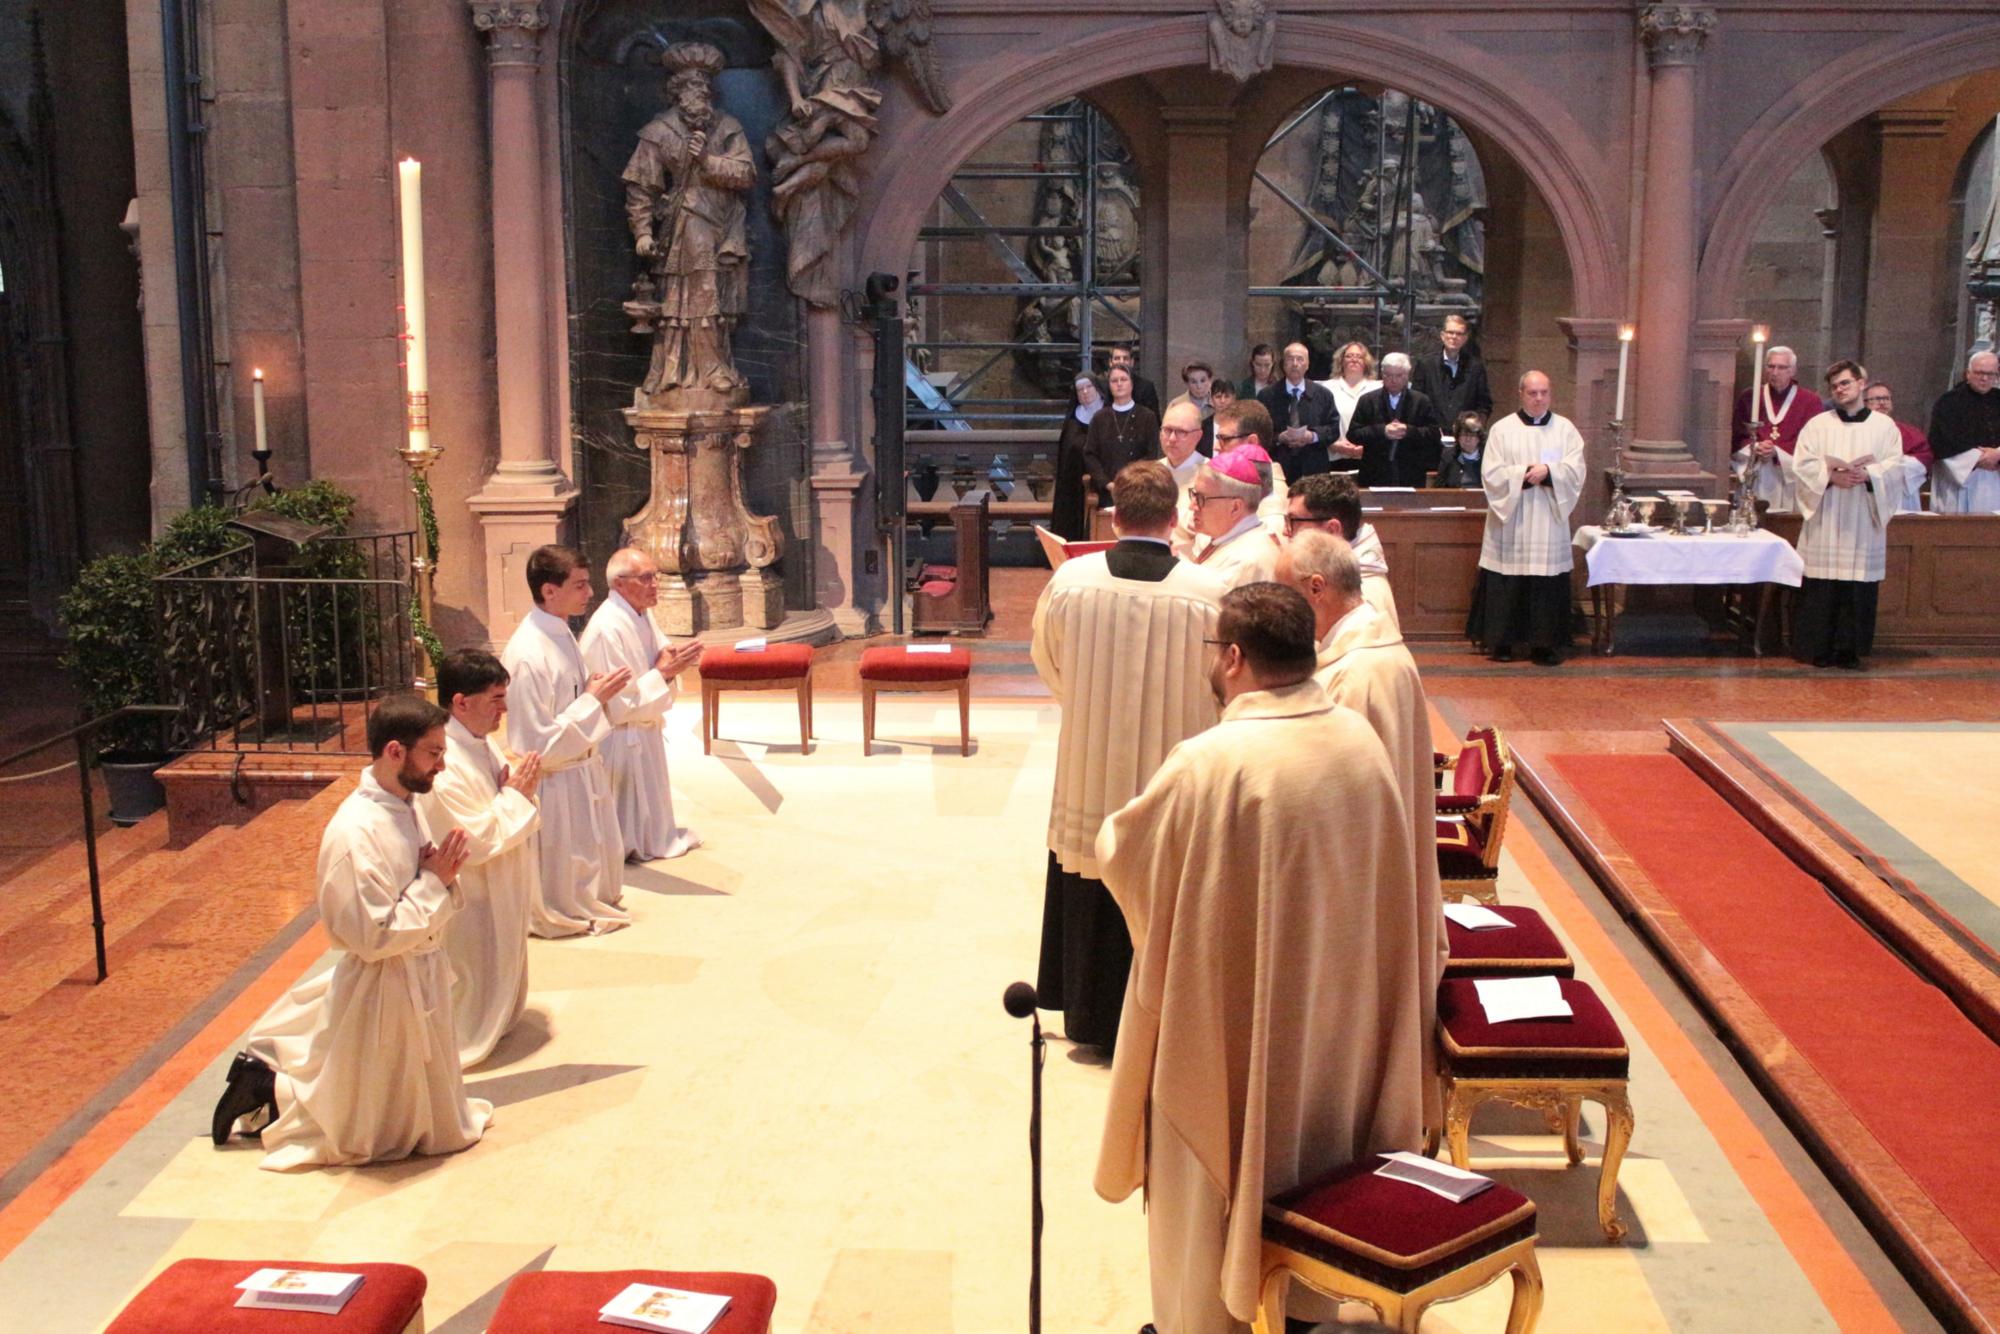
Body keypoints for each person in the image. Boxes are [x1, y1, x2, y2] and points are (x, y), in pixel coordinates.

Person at [1094, 583, 1427, 1334]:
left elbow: (1123, 853)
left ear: (1234, 657)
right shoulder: (1357, 741)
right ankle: (1300, 1304)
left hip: (1232, 1022)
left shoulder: (1212, 761)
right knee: (1316, 1156)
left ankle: (1205, 1322)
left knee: (1205, 1189)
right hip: (1332, 1014)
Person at [210, 693, 491, 1172]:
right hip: (387, 975)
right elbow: (372, 936)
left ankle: (268, 1086)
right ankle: (267, 1087)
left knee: (399, 1112)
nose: (442, 765)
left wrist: (436, 875)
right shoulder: (355, 832)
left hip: (416, 967)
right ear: (395, 751)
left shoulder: (403, 802)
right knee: (361, 1127)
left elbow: (417, 878)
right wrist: (434, 881)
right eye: (433, 753)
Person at [1033, 462, 1228, 1056]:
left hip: (1090, 761)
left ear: (1114, 517)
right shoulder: (1208, 592)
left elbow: (1049, 660)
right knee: (1163, 877)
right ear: (1175, 519)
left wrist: (1089, 704)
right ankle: (1161, 1024)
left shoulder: (1072, 581)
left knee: (1092, 862)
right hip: (1174, 768)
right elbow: (1223, 682)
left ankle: (1089, 1016)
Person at [1278, 529, 1446, 1129]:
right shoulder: (1369, 648)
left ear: (1316, 589)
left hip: (1359, 878)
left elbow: (1334, 793)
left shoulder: (1356, 675)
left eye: (1284, 591)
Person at [417, 650, 543, 1069]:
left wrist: (516, 794)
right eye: (496, 699)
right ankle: (466, 1030)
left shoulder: (479, 741)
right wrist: (516, 797)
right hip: (472, 889)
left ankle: (498, 1016)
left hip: (501, 879)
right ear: (461, 702)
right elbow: (474, 838)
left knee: (501, 953)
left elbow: (508, 798)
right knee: (473, 967)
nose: (504, 709)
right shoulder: (444, 761)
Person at [502, 545, 634, 937]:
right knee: (566, 865)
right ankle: (563, 907)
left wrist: (592, 693)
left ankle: (588, 898)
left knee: (596, 851)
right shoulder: (528, 654)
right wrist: (593, 699)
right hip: (555, 780)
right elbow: (536, 744)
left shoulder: (559, 632)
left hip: (581, 765)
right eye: (579, 585)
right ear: (549, 590)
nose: (589, 593)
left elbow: (570, 700)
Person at [621, 43, 755, 409]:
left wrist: (708, 160)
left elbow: (746, 173)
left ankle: (717, 367)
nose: (701, 94)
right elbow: (641, 185)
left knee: (717, 297)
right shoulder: (659, 131)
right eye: (694, 87)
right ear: (677, 92)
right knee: (693, 294)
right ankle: (684, 372)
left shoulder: (727, 127)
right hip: (685, 222)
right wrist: (643, 231)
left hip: (725, 224)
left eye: (705, 87)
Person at [580, 548, 705, 861]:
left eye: (655, 576)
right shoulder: (607, 628)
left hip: (642, 726)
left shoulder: (640, 612)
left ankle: (649, 837)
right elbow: (620, 703)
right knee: (626, 814)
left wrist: (671, 659)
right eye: (646, 578)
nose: (655, 584)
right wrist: (664, 673)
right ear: (620, 583)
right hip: (620, 736)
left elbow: (660, 655)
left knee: (650, 806)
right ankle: (624, 845)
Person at [1468, 371, 1586, 665]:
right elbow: (1491, 473)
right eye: (1533, 393)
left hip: (1547, 518)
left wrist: (1550, 471)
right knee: (1507, 578)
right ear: (1521, 394)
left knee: (1545, 581)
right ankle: (1502, 642)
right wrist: (1523, 474)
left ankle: (1544, 645)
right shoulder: (1502, 429)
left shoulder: (1565, 430)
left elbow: (1576, 469)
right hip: (1513, 518)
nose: (1539, 399)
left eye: (1544, 393)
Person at [1792, 360, 1904, 669]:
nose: (1839, 390)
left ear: (1861, 384)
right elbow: (1802, 465)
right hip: (1827, 515)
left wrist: (1869, 475)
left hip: (1862, 517)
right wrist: (1830, 477)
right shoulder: (1818, 425)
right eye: (1834, 386)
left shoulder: (1884, 426)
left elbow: (1895, 466)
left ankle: (1849, 651)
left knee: (1857, 585)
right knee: (1823, 585)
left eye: (1845, 383)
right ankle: (1818, 649)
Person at [1283, 471, 1399, 629]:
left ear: (1332, 529)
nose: (1285, 531)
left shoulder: (1360, 596)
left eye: (1293, 521)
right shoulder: (1339, 577)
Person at [1730, 343, 1823, 512]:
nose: (1775, 372)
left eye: (1781, 367)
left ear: (1792, 370)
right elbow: (1736, 435)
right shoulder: (1749, 397)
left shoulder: (1810, 401)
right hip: (1757, 472)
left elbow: (1813, 443)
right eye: (1771, 366)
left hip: (1790, 476)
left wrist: (1778, 452)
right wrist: (1754, 447)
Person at [1346, 350, 1444, 487]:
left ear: (1407, 375)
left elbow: (1433, 434)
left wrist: (1408, 431)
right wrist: (1382, 431)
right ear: (1382, 374)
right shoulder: (1368, 400)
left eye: (1399, 375)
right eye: (1388, 375)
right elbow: (1353, 434)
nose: (1393, 380)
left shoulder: (1421, 401)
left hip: (1411, 472)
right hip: (1374, 471)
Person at [1189, 445, 1283, 587]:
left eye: (1200, 498)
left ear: (1235, 508)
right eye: (1194, 495)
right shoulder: (1226, 538)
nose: (1192, 506)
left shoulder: (1249, 560)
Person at [1255, 341, 1339, 482]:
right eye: (1290, 359)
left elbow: (1334, 429)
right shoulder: (1267, 396)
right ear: (1283, 364)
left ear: (1307, 364)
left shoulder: (1323, 395)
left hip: (1314, 467)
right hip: (1279, 467)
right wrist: (1279, 438)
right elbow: (1258, 432)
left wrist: (1312, 436)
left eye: (1300, 359)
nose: (1295, 364)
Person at [1928, 350, 2000, 513]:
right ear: (1967, 373)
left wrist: (1997, 454)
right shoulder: (1949, 402)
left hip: (1996, 479)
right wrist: (1978, 458)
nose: (1984, 378)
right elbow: (1942, 441)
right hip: (1963, 480)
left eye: (1990, 374)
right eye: (1979, 373)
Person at [1083, 365, 1161, 508]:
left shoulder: (1147, 417)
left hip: (1139, 489)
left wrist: (1130, 481)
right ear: (1109, 386)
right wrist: (1107, 483)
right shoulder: (1099, 418)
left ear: (1132, 384)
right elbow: (1090, 455)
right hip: (1106, 492)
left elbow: (1151, 454)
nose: (1119, 384)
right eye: (1114, 381)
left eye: (1123, 379)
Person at [1861, 381, 1933, 513]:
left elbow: (1925, 458)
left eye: (1886, 398)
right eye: (1876, 399)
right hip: (1866, 494)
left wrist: (1891, 466)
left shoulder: (1907, 432)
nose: (1882, 403)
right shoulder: (1857, 432)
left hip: (1901, 494)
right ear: (1863, 403)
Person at [1411, 313, 1493, 427]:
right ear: (1442, 335)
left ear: (1465, 338)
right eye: (1450, 332)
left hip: (1464, 434)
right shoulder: (1425, 365)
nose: (1454, 337)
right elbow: (1416, 400)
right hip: (1432, 433)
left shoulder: (1475, 367)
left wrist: (1475, 422)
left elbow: (1484, 404)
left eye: (1459, 333)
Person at [1051, 373, 1105, 541]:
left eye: (1088, 387)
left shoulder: (1108, 414)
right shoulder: (1073, 420)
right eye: (1080, 389)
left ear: (1097, 388)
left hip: (1102, 480)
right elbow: (1068, 452)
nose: (1085, 392)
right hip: (1075, 482)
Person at [1318, 339, 1382, 445]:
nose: (1354, 359)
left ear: (1366, 362)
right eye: (1349, 356)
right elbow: (1320, 422)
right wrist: (1334, 444)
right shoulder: (1326, 388)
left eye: (1359, 357)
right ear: (1341, 361)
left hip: (1369, 451)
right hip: (1335, 451)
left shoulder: (1378, 388)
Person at [1107, 344, 1162, 416]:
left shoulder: (1146, 388)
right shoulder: (1104, 387)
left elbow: (1153, 419)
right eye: (1117, 358)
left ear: (1132, 362)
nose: (1121, 362)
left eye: (1125, 358)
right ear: (1110, 362)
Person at [1436, 410, 1487, 488]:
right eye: (1464, 434)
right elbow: (1439, 488)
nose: (1468, 439)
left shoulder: (1488, 456)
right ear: (1458, 437)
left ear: (1479, 438)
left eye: (1472, 435)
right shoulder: (1449, 456)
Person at [1202, 379, 1237, 456]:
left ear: (1234, 398)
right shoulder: (1203, 427)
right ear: (1211, 399)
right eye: (1218, 397)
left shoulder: (1242, 424)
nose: (1222, 401)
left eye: (1227, 396)